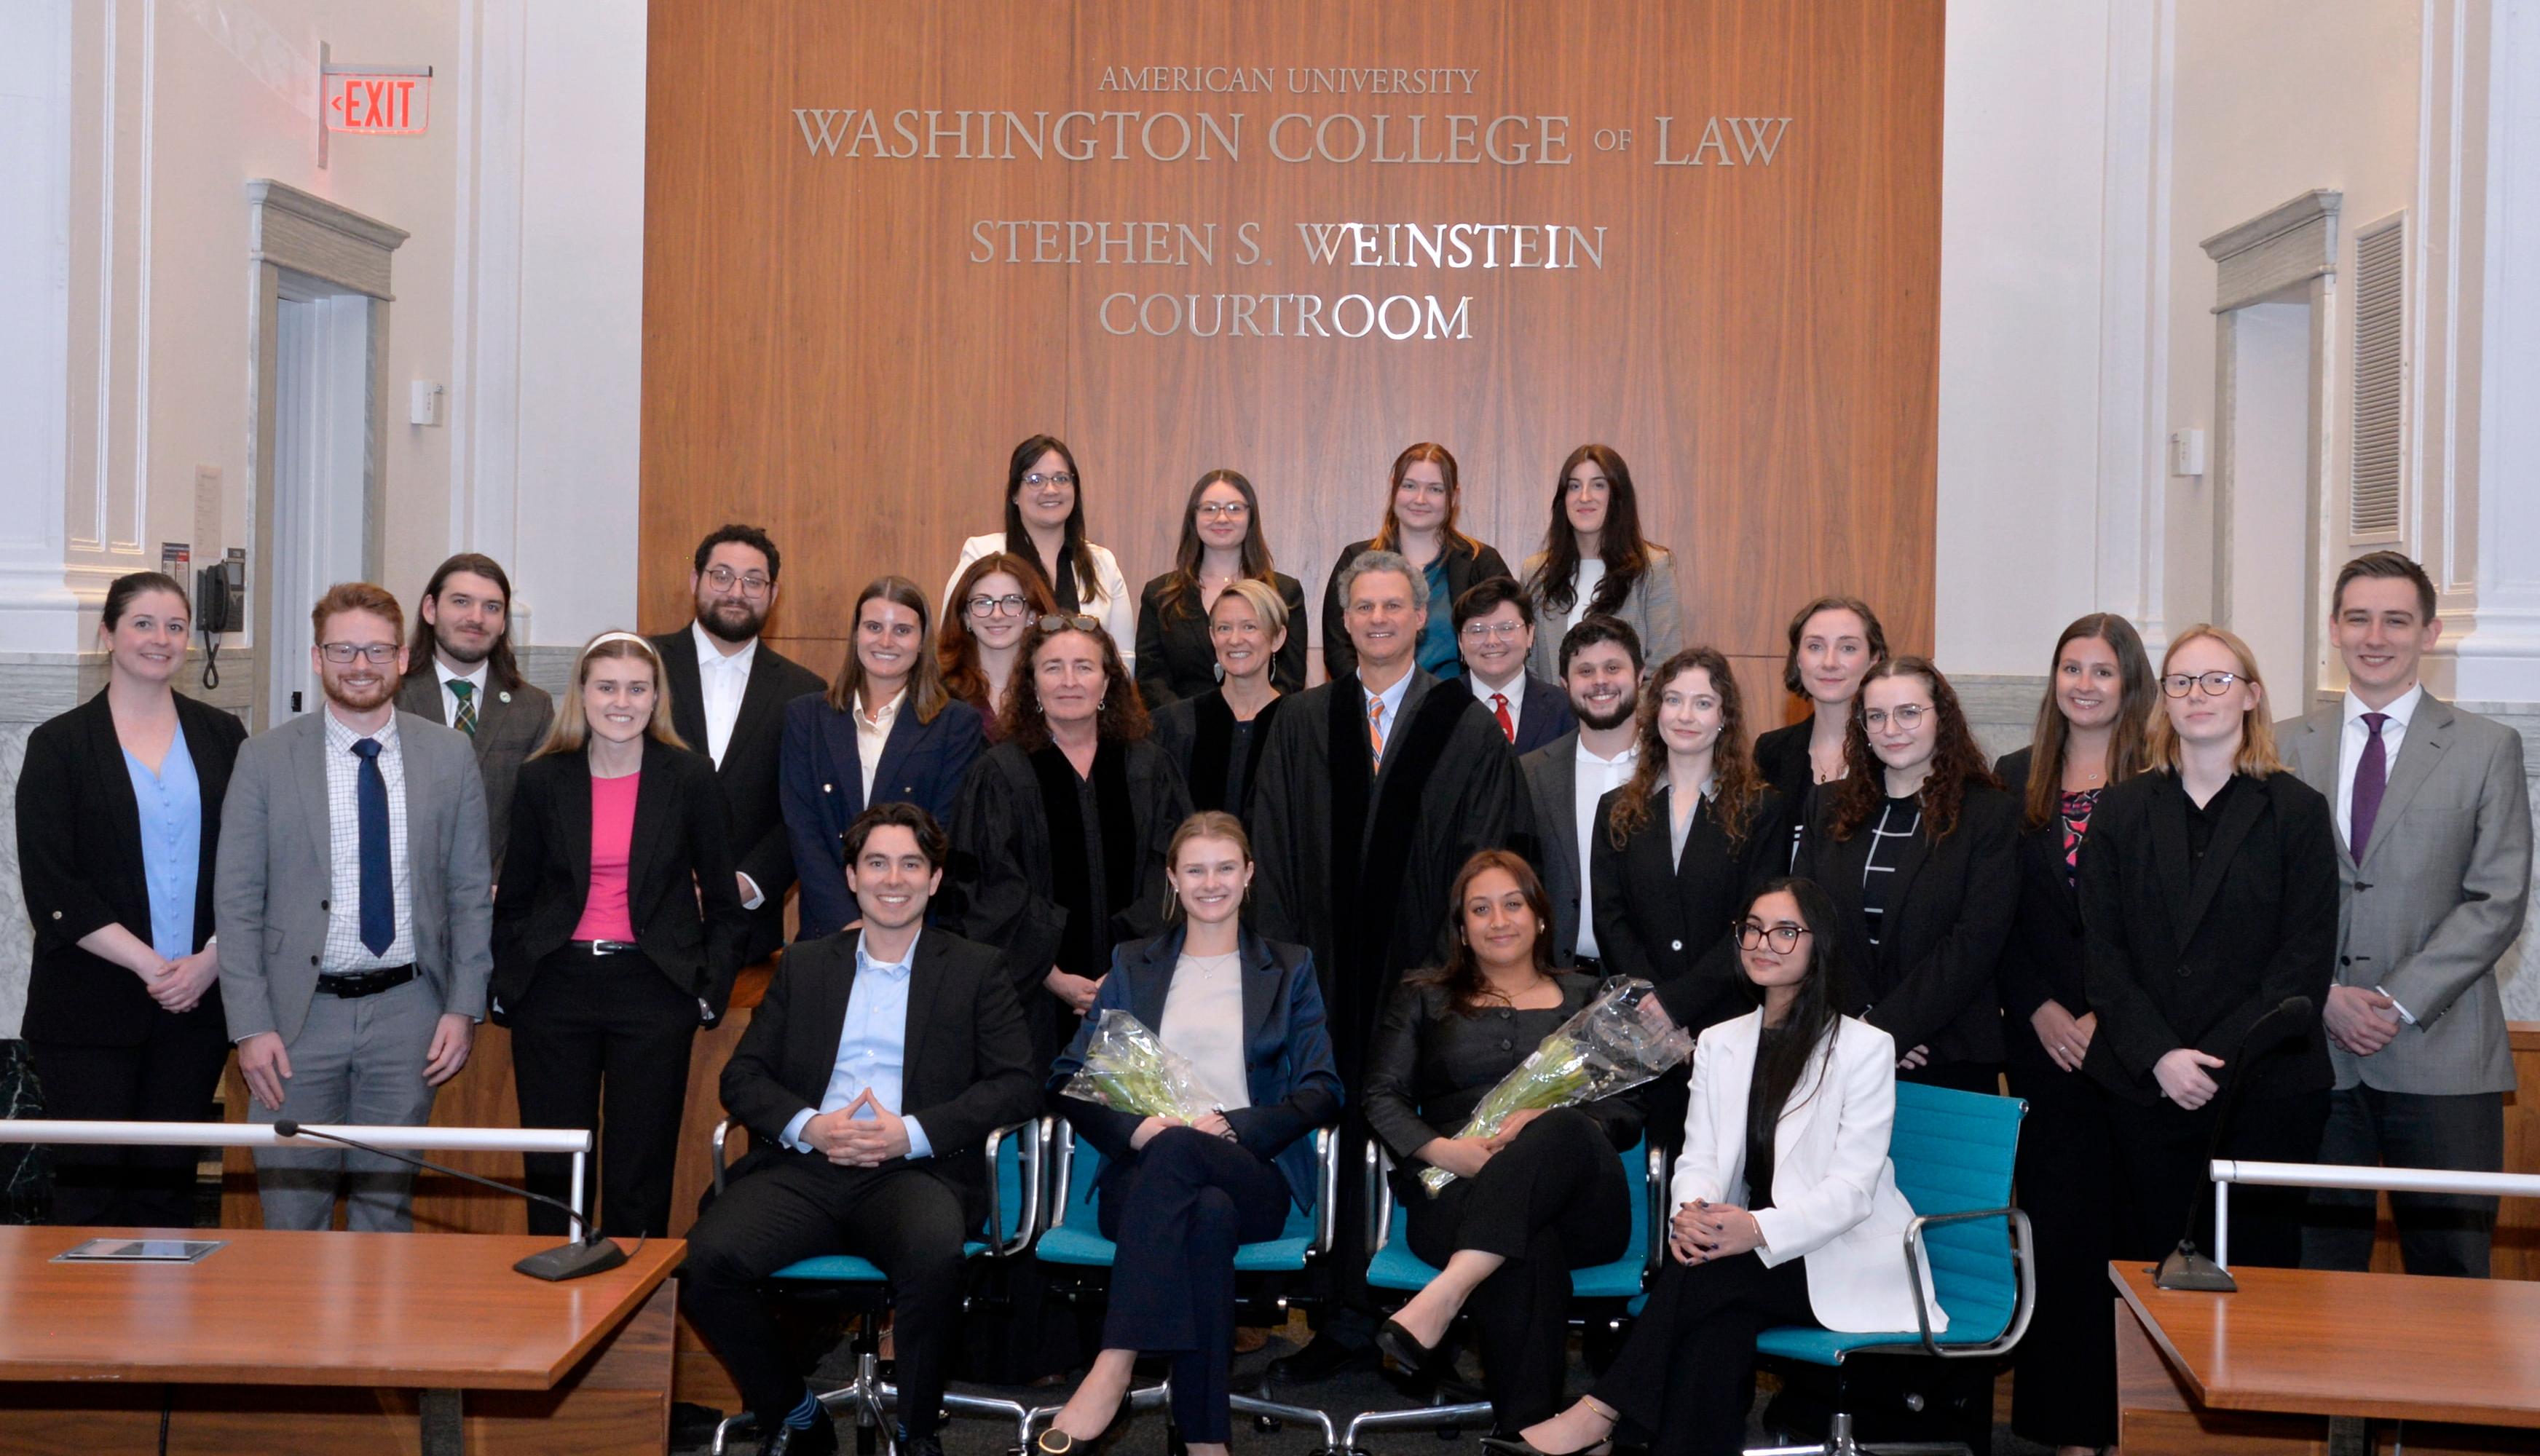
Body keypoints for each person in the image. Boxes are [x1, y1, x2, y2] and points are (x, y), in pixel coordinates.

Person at [1487, 879, 1942, 1456]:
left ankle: (1600, 1412)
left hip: (1843, 1252)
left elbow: (1852, 1193)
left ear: (1818, 943)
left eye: (1785, 931)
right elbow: (1698, 1156)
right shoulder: (1721, 1043)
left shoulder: (1864, 1048)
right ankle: (1624, 1435)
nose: (1763, 943)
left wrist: (1752, 1229)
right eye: (1752, 928)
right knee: (1714, 1327)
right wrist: (1694, 1214)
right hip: (1746, 1251)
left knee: (1709, 1275)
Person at [682, 803, 1040, 1456]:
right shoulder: (807, 964)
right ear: (852, 876)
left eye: (911, 864)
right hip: (804, 1170)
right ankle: (796, 1415)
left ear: (934, 880)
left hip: (915, 1171)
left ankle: (917, 1431)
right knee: (706, 1262)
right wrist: (811, 1126)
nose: (893, 879)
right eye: (877, 863)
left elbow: (1017, 1082)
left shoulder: (976, 968)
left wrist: (912, 1132)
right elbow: (743, 1078)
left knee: (934, 1255)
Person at [1250, 548, 1522, 1380]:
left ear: (1418, 620)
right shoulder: (1301, 720)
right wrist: (1287, 973)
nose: (1376, 619)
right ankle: (1339, 1315)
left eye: (1391, 606)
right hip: (1322, 972)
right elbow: (1272, 845)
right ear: (1344, 620)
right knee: (1334, 1124)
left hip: (1426, 978)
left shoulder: (1464, 725)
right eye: (1361, 606)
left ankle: (1425, 1322)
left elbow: (1485, 863)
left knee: (1421, 1134)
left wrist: (1452, 972)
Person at [1036, 812, 1343, 1456]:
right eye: (1196, 869)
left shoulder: (1289, 968)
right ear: (1173, 878)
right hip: (1144, 1173)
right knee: (1203, 1214)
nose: (1212, 883)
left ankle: (1114, 1363)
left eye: (1225, 867)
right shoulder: (1133, 964)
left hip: (1250, 1170)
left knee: (1197, 1168)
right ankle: (1208, 1443)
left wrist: (1238, 1126)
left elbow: (1323, 1089)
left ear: (1249, 874)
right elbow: (1066, 1077)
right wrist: (1140, 1130)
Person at [214, 583, 492, 1231]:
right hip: (294, 1021)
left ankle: (379, 1335)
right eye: (343, 649)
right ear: (317, 658)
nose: (359, 665)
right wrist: (250, 1027)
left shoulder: (449, 757)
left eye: (375, 650)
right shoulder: (263, 758)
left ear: (402, 659)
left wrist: (463, 1006)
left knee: (385, 1212)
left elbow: (469, 892)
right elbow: (236, 901)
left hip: (410, 1017)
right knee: (291, 1215)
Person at [2288, 553, 2531, 1278]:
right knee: (2312, 1280)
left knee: (2451, 1276)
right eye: (2357, 617)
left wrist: (2392, 1001)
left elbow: (2496, 900)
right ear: (2333, 627)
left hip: (2442, 1055)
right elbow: (2260, 899)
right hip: (2314, 1060)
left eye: (2395, 619)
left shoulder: (2486, 748)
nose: (2375, 635)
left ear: (2427, 632)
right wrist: (2324, 995)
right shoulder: (2283, 743)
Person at [2080, 625, 2338, 1273]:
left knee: (2260, 1281)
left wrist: (2214, 1061)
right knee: (2148, 1279)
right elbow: (2103, 956)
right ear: (2164, 700)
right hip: (2145, 1091)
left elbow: (2302, 964)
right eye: (2181, 682)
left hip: (2264, 1093)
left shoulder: (2297, 811)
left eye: (2217, 680)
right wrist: (2162, 1056)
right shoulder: (2121, 810)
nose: (2198, 695)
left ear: (2250, 695)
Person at [1362, 851, 1644, 1436]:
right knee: (1523, 1244)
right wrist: (1444, 1152)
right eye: (1480, 909)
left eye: (1514, 904)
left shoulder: (1590, 999)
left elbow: (1627, 1111)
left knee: (1556, 1125)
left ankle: (1448, 1292)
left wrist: (1548, 1117)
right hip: (1455, 1196)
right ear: (1461, 929)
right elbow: (1380, 1097)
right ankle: (1529, 1438)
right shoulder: (1423, 996)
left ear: (1541, 917)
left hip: (1584, 1205)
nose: (1499, 921)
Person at [492, 632, 749, 1238]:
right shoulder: (542, 780)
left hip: (653, 990)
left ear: (656, 697)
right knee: (557, 1170)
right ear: (581, 693)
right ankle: (555, 1316)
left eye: (637, 688)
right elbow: (516, 899)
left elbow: (724, 903)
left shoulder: (689, 778)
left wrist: (707, 991)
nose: (621, 702)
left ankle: (634, 1318)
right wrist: (509, 981)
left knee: (642, 1169)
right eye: (606, 687)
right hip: (555, 989)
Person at [17, 572, 246, 1226]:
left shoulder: (223, 736)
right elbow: (54, 887)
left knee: (166, 1189)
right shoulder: (59, 745)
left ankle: (164, 1330)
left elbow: (249, 866)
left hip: (196, 1006)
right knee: (91, 1190)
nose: (162, 639)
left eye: (176, 626)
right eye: (144, 623)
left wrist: (209, 959)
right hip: (89, 1007)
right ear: (109, 633)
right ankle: (84, 1329)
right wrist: (153, 968)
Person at [1993, 612, 2154, 1456]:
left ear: (2130, 684)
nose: (2083, 684)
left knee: (2129, 1238)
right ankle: (2064, 1431)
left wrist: (2108, 1011)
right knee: (2054, 1235)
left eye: (2101, 670)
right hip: (2042, 1051)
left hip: (2133, 1053)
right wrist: (2041, 1009)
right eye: (2069, 668)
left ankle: (2135, 1422)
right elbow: (1998, 918)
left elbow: (2168, 927)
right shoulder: (2017, 776)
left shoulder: (2161, 780)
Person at [946, 617, 1190, 1070]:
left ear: (1107, 682)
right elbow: (986, 888)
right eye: (1053, 668)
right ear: (1032, 684)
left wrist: (1127, 967)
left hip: (1139, 985)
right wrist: (1050, 973)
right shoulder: (1001, 773)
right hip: (1034, 996)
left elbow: (1174, 872)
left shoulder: (1149, 767)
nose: (1070, 681)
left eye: (1084, 667)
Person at [1794, 657, 2017, 1094]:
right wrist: (1861, 1024)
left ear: (1942, 719)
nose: (1891, 729)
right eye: (1876, 716)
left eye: (1909, 713)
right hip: (1841, 1044)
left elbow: (1975, 940)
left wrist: (1890, 1027)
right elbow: (1809, 920)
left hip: (1947, 1053)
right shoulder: (1826, 806)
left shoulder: (1989, 813)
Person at [1593, 646, 1794, 1039]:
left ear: (1724, 718)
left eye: (1703, 703)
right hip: (1638, 1023)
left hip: (1728, 1018)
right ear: (1657, 712)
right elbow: (1610, 919)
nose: (1685, 716)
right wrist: (1654, 1005)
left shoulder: (1763, 810)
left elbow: (1755, 923)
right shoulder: (1615, 809)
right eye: (1673, 700)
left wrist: (1679, 1003)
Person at [650, 524, 827, 965]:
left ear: (773, 593)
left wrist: (743, 884)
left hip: (747, 934)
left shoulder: (806, 693)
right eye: (721, 576)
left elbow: (805, 813)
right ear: (695, 582)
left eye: (753, 581)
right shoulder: (641, 668)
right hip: (640, 920)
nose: (736, 591)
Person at [781, 577, 986, 941]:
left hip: (916, 930)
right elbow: (803, 830)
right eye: (874, 627)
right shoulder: (806, 717)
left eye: (902, 630)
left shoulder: (957, 724)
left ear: (922, 642)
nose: (886, 642)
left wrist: (890, 922)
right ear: (856, 634)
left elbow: (943, 831)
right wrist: (849, 923)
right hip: (828, 930)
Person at [395, 552, 555, 871]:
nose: (477, 618)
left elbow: (543, 815)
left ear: (503, 622)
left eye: (492, 607)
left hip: (497, 899)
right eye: (461, 602)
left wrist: (505, 882)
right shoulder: (392, 698)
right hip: (403, 894)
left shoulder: (533, 708)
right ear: (431, 609)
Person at [1317, 443, 1513, 682]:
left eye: (1435, 489)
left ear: (1454, 497)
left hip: (1458, 707)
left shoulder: (1481, 561)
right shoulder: (1356, 560)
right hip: (1374, 708)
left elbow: (1507, 640)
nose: (1420, 499)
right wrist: (1372, 700)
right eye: (1410, 486)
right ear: (1394, 489)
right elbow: (1338, 648)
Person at [1518, 616, 1645, 971]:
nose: (1600, 681)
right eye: (1585, 671)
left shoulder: (1674, 768)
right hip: (1556, 979)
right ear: (1564, 684)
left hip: (1655, 988)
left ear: (1640, 675)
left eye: (1613, 667)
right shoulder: (1531, 775)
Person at [944, 435, 1136, 664]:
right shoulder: (982, 553)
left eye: (1061, 479)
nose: (1051, 489)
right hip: (997, 696)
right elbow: (952, 638)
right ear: (1014, 494)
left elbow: (1123, 657)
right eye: (1035, 480)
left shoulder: (1102, 563)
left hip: (1082, 697)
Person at [1134, 469, 1310, 706]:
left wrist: (1254, 723)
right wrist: (1185, 726)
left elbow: (1290, 678)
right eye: (1210, 508)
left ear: (1251, 517)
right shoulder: (1160, 595)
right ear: (1193, 518)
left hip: (1265, 732)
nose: (1222, 518)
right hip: (1180, 734)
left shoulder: (1285, 592)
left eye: (1234, 508)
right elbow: (1151, 678)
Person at [1520, 445, 1684, 680]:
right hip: (1554, 716)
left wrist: (1620, 715)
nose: (1584, 497)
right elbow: (1530, 669)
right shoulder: (1537, 572)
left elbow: (1665, 671)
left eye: (1598, 485)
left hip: (1629, 717)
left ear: (1618, 496)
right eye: (1574, 486)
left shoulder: (1654, 569)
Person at [1752, 597, 1889, 848]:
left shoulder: (1893, 750)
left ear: (1874, 660)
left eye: (1847, 648)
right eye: (1815, 647)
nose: (1829, 662)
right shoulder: (1771, 751)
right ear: (1798, 660)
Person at [1149, 579, 1290, 818]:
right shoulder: (1174, 726)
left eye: (1250, 627)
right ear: (1212, 637)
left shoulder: (1298, 727)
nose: (1235, 640)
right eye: (1224, 628)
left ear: (1277, 638)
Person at [940, 553, 1058, 741]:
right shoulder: (940, 691)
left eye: (1012, 601)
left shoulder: (1056, 688)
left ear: (1032, 615)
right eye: (983, 602)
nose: (997, 614)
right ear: (966, 616)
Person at [1457, 577, 1577, 756]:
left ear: (1530, 634)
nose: (1492, 641)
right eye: (1478, 630)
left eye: (1506, 628)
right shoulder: (1438, 708)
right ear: (1460, 641)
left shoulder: (1564, 708)